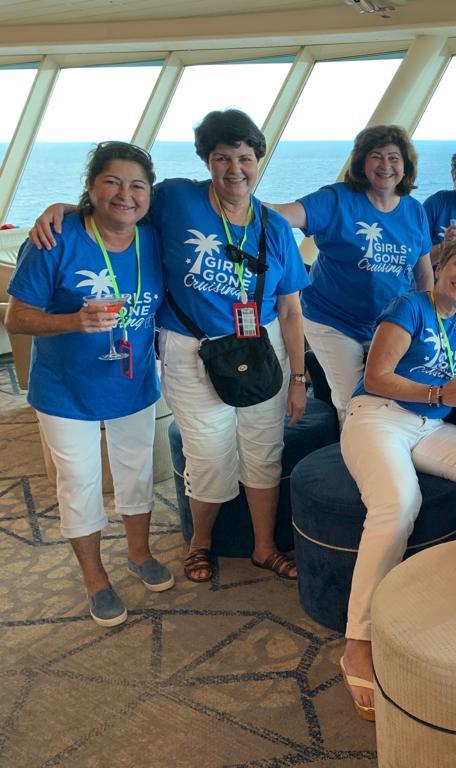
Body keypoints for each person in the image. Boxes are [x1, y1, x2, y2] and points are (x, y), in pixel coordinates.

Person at [28, 110, 310, 583]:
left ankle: (264, 547)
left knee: (264, 452)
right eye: (222, 158)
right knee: (208, 454)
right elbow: (120, 203)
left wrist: (299, 378)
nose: (234, 169)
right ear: (207, 161)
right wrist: (63, 208)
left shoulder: (275, 229)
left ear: (259, 160)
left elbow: (292, 309)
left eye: (245, 157)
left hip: (262, 348)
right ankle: (200, 543)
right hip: (190, 350)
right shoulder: (177, 199)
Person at [6, 141, 171, 626]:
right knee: (79, 483)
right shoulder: (57, 240)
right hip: (66, 391)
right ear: (92, 188)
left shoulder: (152, 237)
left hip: (132, 381)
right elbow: (17, 318)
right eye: (112, 182)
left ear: (149, 195)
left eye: (137, 185)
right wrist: (72, 323)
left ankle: (139, 555)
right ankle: (95, 579)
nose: (125, 194)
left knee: (136, 473)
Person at [338, 234, 456, 722]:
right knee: (398, 504)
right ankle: (356, 641)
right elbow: (378, 375)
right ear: (441, 265)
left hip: (431, 424)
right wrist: (437, 393)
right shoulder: (409, 306)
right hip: (378, 415)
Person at [267, 125, 434, 423]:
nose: (385, 165)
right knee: (355, 399)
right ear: (361, 162)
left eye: (394, 157)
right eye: (376, 156)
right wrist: (236, 202)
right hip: (333, 321)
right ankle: (355, 461)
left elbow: (424, 277)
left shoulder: (414, 211)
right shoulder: (337, 199)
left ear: (405, 165)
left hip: (386, 324)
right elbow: (285, 214)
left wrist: (427, 324)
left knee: (392, 393)